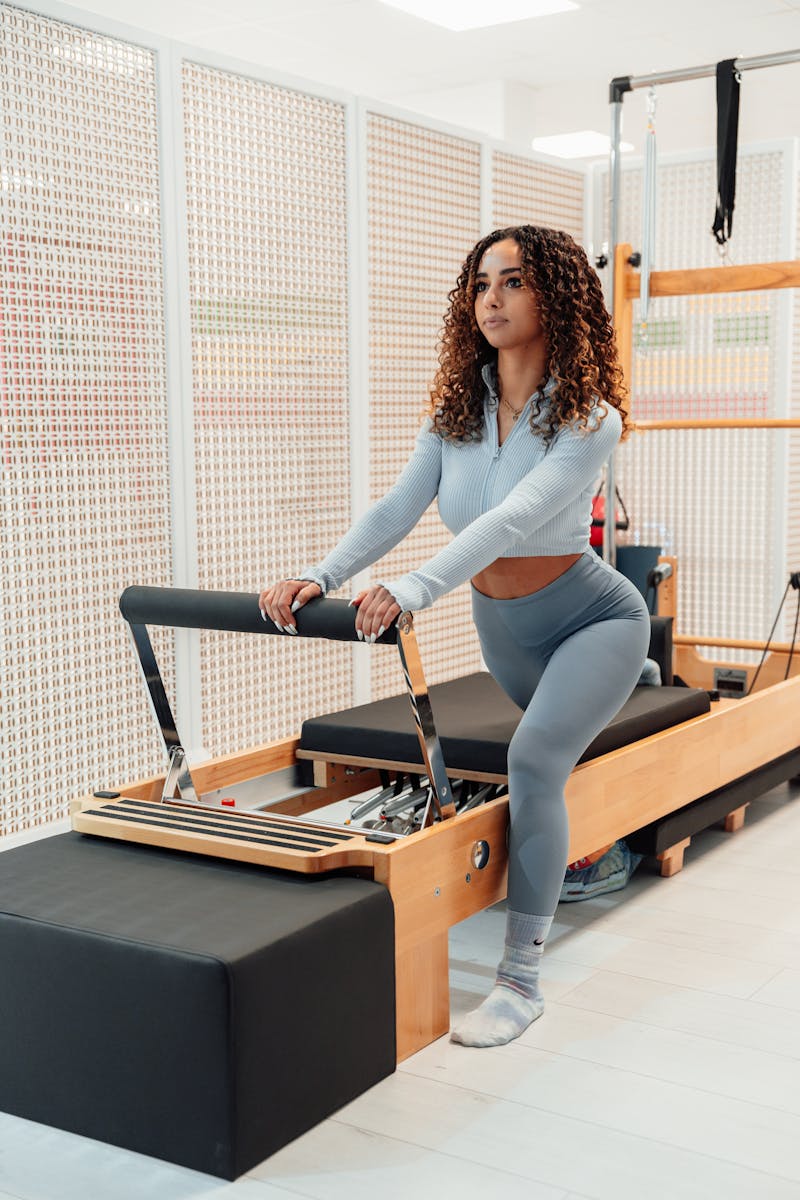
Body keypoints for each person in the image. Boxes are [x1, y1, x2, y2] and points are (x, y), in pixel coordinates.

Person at [259, 225, 650, 1048]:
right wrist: (321, 577)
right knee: (547, 735)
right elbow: (397, 507)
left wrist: (413, 590)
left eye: (511, 282)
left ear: (556, 295)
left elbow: (515, 519)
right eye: (480, 285)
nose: (491, 300)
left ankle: (519, 980)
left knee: (534, 759)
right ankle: (634, 678)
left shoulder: (592, 418)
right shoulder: (457, 411)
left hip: (592, 616)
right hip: (504, 631)